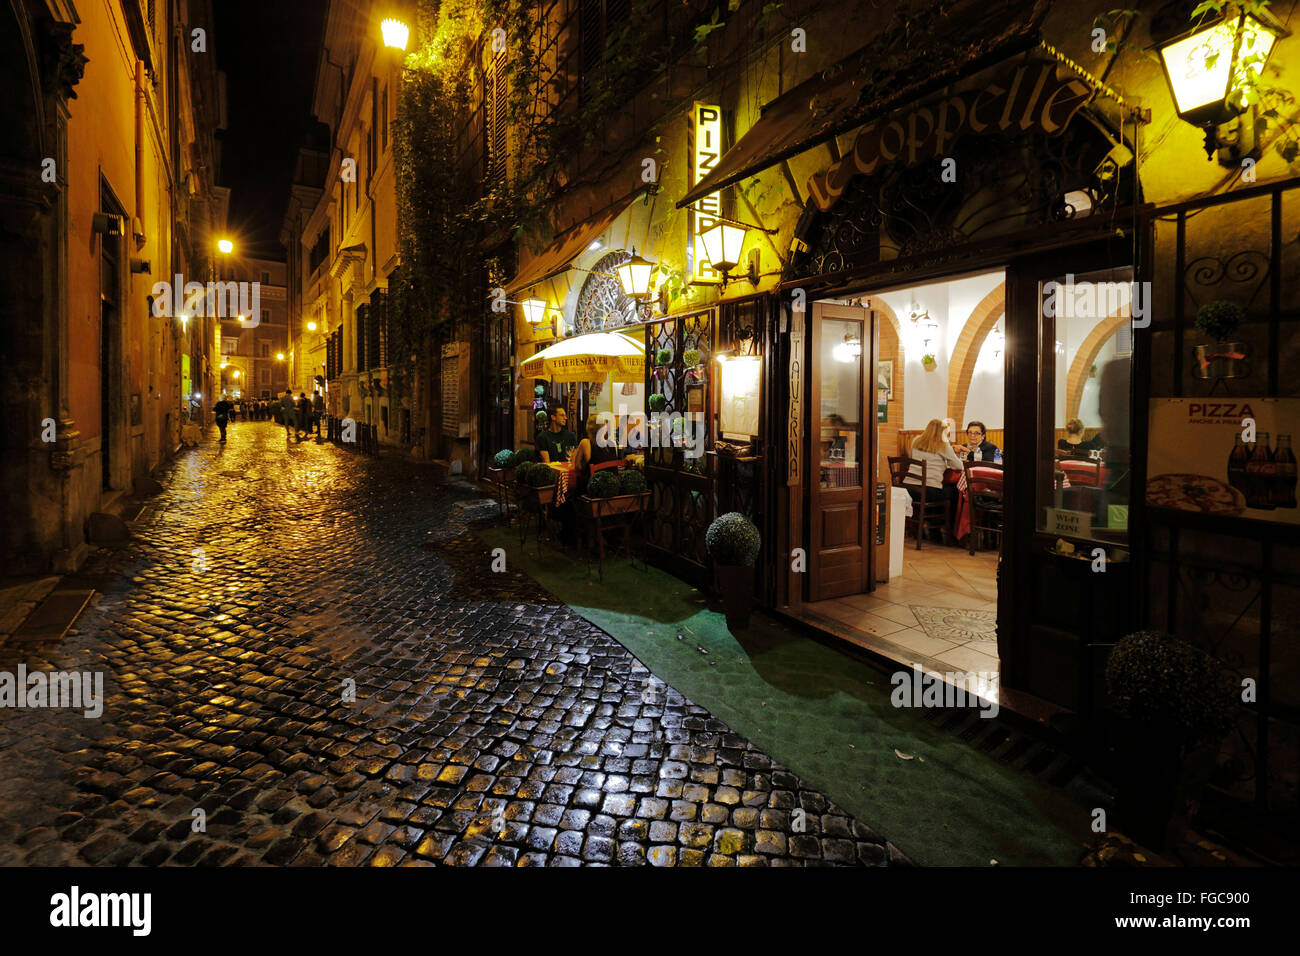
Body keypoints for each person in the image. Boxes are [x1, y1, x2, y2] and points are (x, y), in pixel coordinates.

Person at [907, 418, 963, 511]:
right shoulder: (943, 445)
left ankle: (927, 520)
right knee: (956, 490)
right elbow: (958, 466)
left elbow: (911, 457)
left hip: (909, 488)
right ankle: (946, 524)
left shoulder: (916, 440)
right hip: (928, 491)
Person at [572, 413, 622, 494]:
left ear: (588, 428)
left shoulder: (585, 443)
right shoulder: (613, 444)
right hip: (613, 489)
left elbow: (577, 467)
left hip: (595, 491)